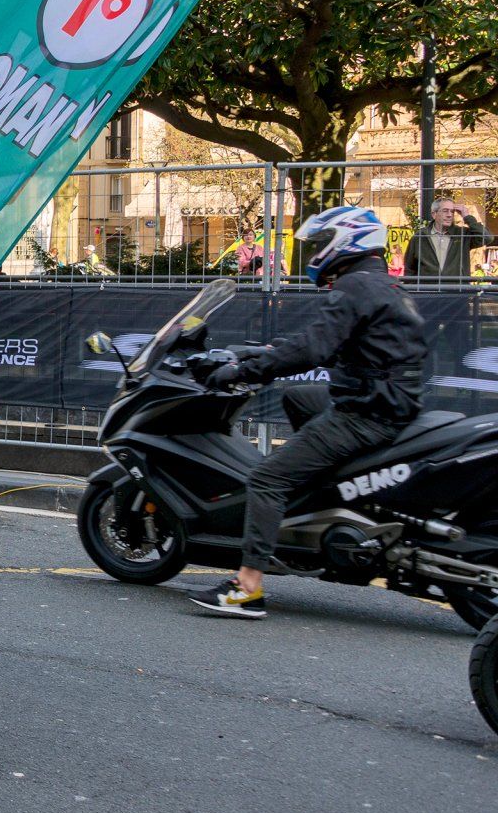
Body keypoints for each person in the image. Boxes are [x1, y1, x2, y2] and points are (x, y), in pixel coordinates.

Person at [191, 206, 428, 619]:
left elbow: (314, 349)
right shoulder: (380, 285)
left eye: (321, 244)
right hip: (387, 400)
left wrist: (243, 370)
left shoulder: (353, 288)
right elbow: (328, 342)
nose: (315, 253)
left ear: (345, 241)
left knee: (266, 478)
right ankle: (320, 486)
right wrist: (266, 352)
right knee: (300, 397)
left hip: (366, 412)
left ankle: (247, 588)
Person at [401, 197, 488, 282]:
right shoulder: (420, 237)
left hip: (458, 292)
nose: (449, 215)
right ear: (434, 214)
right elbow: (409, 269)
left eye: (452, 211)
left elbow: (487, 238)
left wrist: (467, 217)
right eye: (445, 211)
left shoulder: (462, 234)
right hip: (428, 292)